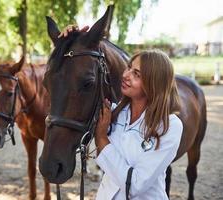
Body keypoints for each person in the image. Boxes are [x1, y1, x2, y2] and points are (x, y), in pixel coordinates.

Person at [58, 25, 183, 200]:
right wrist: (70, 40)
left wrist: (102, 138)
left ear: (155, 83)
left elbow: (134, 186)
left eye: (136, 74)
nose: (126, 75)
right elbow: (71, 79)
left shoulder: (170, 126)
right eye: (129, 68)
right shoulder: (113, 112)